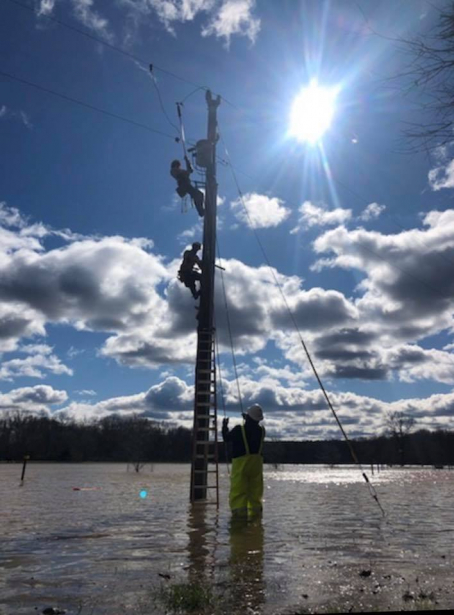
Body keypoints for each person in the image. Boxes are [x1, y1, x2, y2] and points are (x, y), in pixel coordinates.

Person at [222, 404, 265, 518]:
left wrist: (224, 426)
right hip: (256, 467)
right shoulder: (261, 431)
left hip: (241, 466)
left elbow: (226, 438)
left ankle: (239, 522)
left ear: (248, 417)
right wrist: (248, 418)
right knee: (255, 493)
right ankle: (256, 519)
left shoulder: (238, 430)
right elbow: (252, 430)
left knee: (239, 493)